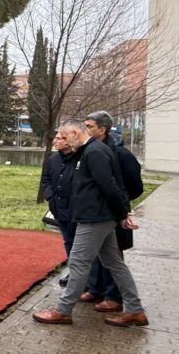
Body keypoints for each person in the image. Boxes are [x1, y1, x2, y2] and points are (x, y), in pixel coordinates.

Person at [33, 120, 148, 327]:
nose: (62, 142)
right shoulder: (89, 151)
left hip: (94, 218)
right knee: (114, 263)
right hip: (99, 217)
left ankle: (63, 311)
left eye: (64, 137)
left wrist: (122, 214)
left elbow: (110, 186)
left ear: (75, 133)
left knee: (78, 263)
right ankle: (135, 310)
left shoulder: (93, 152)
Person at [80, 111, 144, 312]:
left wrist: (119, 204)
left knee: (113, 256)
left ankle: (114, 296)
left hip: (114, 212)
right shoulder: (88, 149)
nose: (85, 129)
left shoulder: (121, 153)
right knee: (97, 252)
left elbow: (135, 186)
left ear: (102, 129)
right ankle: (95, 289)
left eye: (89, 126)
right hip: (95, 213)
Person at [41, 131, 77, 286]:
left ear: (69, 141)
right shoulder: (53, 159)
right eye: (55, 137)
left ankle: (87, 278)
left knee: (80, 243)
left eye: (59, 138)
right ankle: (73, 273)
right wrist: (50, 195)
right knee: (68, 241)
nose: (54, 140)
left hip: (77, 209)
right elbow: (46, 178)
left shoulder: (81, 158)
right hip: (58, 208)